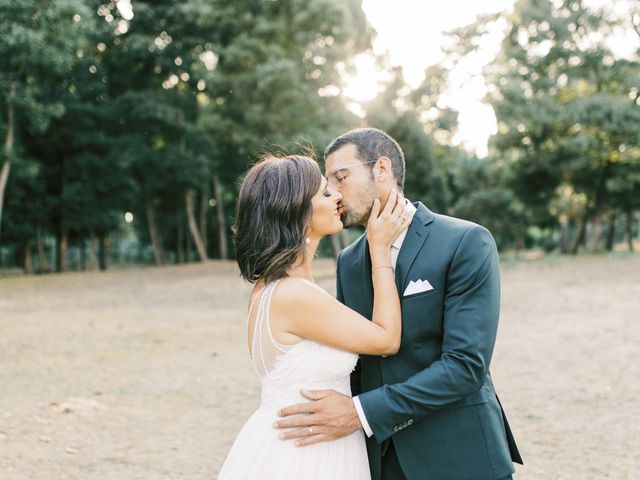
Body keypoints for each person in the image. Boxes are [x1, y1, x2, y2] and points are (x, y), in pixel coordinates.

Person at [274, 128, 523, 480]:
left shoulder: (465, 241)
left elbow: (466, 366)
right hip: (382, 461)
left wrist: (360, 412)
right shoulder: (349, 260)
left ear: (382, 169)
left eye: (341, 177)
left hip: (460, 457)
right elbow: (356, 360)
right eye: (327, 183)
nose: (332, 192)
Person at [217, 154, 414, 479]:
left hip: (302, 441)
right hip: (308, 456)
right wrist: (380, 250)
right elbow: (387, 339)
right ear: (296, 211)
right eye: (325, 192)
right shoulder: (294, 294)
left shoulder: (276, 286)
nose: (337, 195)